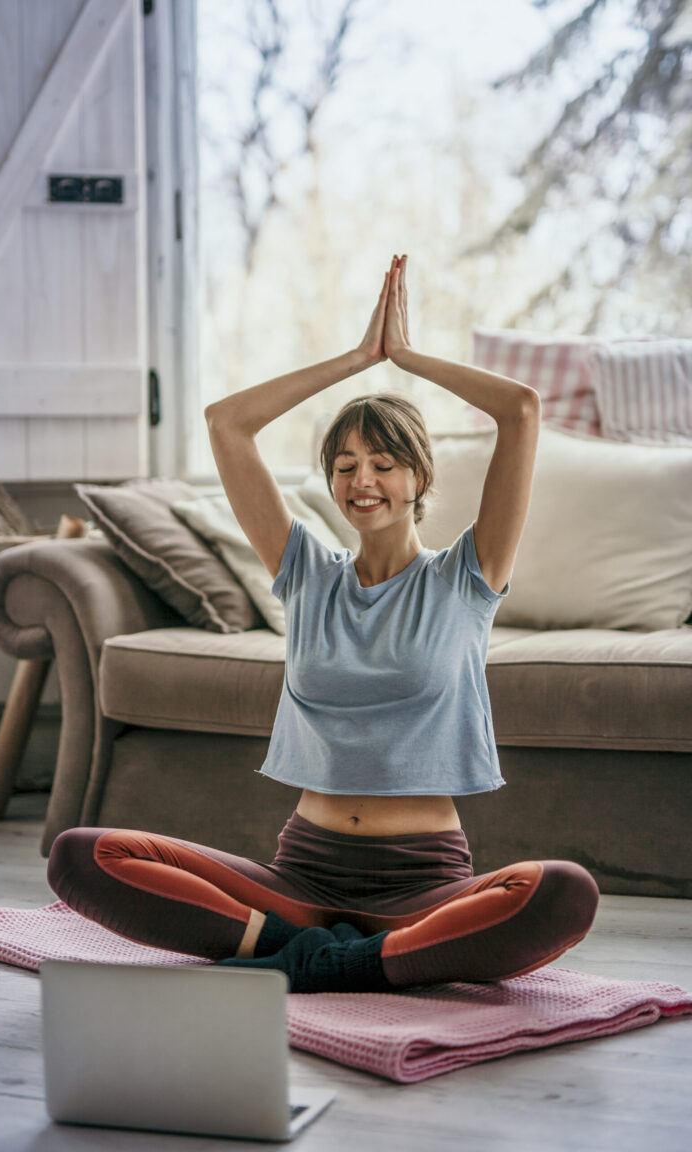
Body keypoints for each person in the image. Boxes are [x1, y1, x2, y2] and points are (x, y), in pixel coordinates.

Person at [48, 254, 599, 993]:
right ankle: (322, 953)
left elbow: (521, 411)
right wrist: (354, 359)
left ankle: (326, 959)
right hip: (302, 875)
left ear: (419, 478)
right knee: (82, 857)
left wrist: (403, 357)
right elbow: (228, 424)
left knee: (563, 892)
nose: (362, 481)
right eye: (343, 465)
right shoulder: (306, 573)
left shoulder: (466, 578)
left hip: (423, 881)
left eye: (383, 463)